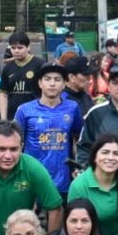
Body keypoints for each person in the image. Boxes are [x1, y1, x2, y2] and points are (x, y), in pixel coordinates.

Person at [14, 64, 81, 194]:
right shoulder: (25, 110)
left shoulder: (72, 108)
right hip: (32, 177)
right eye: (47, 79)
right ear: (40, 83)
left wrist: (78, 165)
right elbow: (15, 142)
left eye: (57, 79)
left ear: (63, 84)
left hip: (62, 179)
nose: (52, 83)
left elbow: (78, 139)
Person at [0, 32, 41, 120]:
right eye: (13, 48)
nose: (16, 51)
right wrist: (3, 119)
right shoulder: (7, 68)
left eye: (20, 47)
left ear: (28, 47)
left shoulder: (39, 65)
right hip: (13, 117)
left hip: (36, 116)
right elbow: (3, 94)